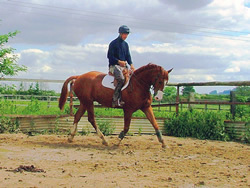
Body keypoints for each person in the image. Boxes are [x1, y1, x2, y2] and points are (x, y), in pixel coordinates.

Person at [107, 25, 135, 107]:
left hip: (124, 67)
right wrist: (119, 61)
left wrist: (131, 65)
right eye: (124, 34)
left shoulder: (126, 44)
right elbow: (110, 56)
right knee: (121, 79)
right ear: (120, 33)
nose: (126, 36)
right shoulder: (113, 43)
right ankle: (115, 100)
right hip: (114, 66)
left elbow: (128, 56)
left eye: (127, 34)